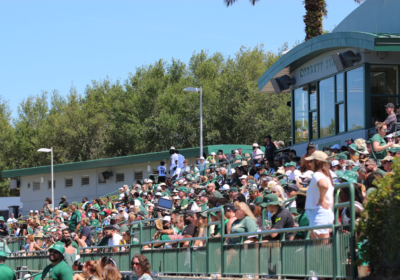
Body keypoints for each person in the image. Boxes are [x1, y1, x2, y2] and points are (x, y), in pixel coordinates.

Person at [305, 151, 334, 239]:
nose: (310, 164)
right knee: (319, 249)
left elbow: (324, 185)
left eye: (311, 161)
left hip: (319, 214)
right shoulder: (327, 176)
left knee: (320, 250)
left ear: (317, 161)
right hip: (320, 214)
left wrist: (322, 198)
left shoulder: (317, 174)